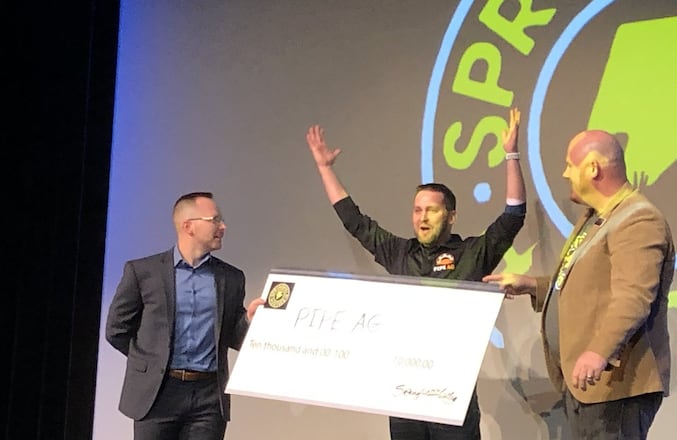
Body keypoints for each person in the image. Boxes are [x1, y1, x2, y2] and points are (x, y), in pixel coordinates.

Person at [305, 108, 526, 440]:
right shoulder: (401, 253)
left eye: (432, 210)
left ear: (451, 216)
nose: (422, 217)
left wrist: (511, 155)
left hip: (452, 393)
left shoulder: (471, 254)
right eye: (417, 209)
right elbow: (355, 222)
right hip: (404, 392)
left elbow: (512, 216)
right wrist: (325, 168)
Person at [483, 130, 675, 439]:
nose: (564, 173)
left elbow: (633, 297)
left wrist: (598, 352)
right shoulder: (594, 218)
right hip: (589, 386)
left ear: (593, 168)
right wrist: (532, 285)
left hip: (616, 387)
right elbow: (586, 287)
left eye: (570, 165)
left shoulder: (638, 220)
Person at [105, 192, 266, 440]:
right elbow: (117, 330)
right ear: (188, 226)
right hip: (158, 394)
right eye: (215, 220)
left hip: (208, 396)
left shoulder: (231, 278)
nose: (223, 226)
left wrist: (249, 322)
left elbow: (233, 337)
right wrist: (151, 361)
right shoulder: (142, 272)